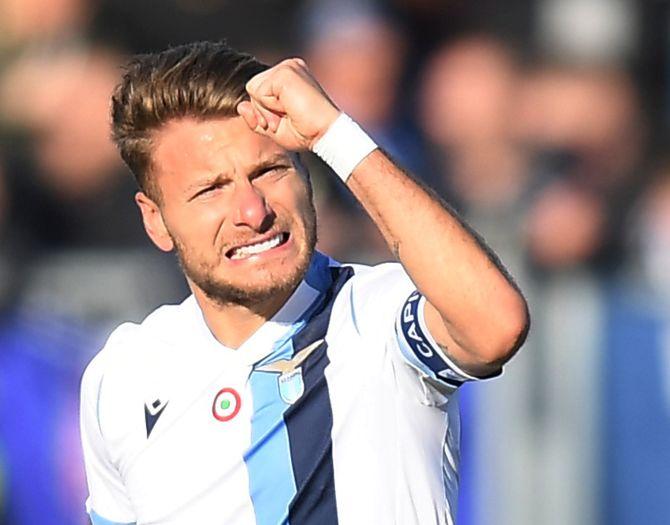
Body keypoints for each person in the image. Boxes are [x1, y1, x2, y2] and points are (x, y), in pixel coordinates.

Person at [79, 41, 529, 525]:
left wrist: (335, 133)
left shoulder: (376, 316)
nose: (253, 212)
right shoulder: (121, 377)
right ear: (156, 221)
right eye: (211, 189)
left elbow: (495, 326)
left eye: (270, 171)